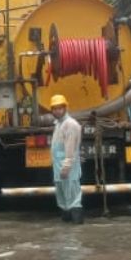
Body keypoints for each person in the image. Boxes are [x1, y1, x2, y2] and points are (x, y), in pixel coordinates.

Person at [50, 94, 83, 224]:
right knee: (63, 202)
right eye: (54, 108)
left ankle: (77, 230)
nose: (57, 111)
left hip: (68, 171)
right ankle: (67, 234)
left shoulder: (70, 124)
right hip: (59, 171)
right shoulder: (59, 124)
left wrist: (67, 166)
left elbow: (70, 148)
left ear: (65, 108)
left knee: (74, 201)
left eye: (59, 108)